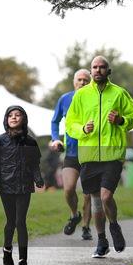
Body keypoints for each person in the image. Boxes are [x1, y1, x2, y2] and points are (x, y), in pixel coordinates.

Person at [65, 56, 133, 258]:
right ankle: (102, 240)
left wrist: (121, 119)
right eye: (94, 67)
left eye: (102, 67)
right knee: (96, 202)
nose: (98, 70)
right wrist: (83, 129)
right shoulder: (80, 96)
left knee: (106, 196)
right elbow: (70, 123)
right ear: (91, 71)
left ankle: (114, 226)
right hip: (88, 157)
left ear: (108, 71)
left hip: (112, 155)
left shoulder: (119, 93)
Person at [0, 105, 44, 265]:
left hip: (24, 186)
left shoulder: (31, 142)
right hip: (6, 186)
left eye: (17, 115)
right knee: (10, 222)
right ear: (6, 119)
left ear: (23, 119)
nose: (14, 117)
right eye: (10, 115)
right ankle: (7, 249)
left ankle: (23, 262)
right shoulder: (0, 140)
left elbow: (35, 163)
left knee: (21, 222)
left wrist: (37, 178)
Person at [50, 69, 93, 240]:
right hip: (72, 152)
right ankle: (75, 215)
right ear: (74, 81)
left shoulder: (94, 99)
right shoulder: (65, 99)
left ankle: (86, 227)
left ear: (90, 82)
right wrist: (55, 139)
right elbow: (55, 121)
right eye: (79, 80)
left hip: (90, 152)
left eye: (85, 80)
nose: (82, 82)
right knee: (68, 189)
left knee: (88, 193)